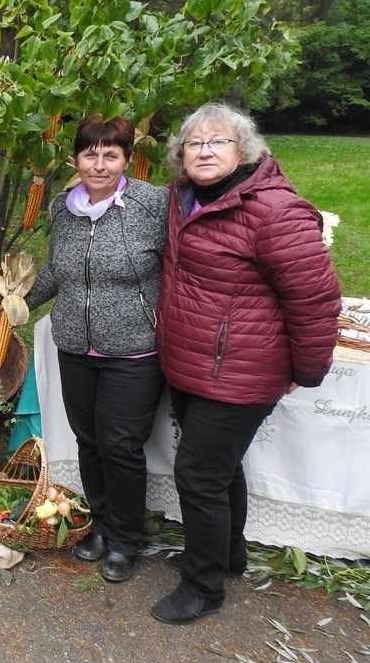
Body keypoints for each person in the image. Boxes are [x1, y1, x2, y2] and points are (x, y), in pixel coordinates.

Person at [151, 103, 341, 624]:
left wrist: (307, 370)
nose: (204, 151)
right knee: (218, 468)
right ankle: (225, 556)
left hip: (240, 371)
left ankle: (204, 585)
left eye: (218, 142)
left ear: (245, 150)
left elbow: (315, 298)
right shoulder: (183, 198)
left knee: (199, 476)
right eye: (194, 143)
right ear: (180, 155)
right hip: (191, 363)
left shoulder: (276, 211)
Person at [23, 114, 169, 583]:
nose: (100, 164)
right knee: (90, 441)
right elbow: (56, 270)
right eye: (91, 153)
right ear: (76, 158)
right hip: (75, 347)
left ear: (127, 158)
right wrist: (16, 301)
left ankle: (126, 540)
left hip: (134, 350)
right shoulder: (63, 209)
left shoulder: (153, 205)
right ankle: (102, 527)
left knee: (121, 446)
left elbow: (182, 269)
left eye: (111, 154)